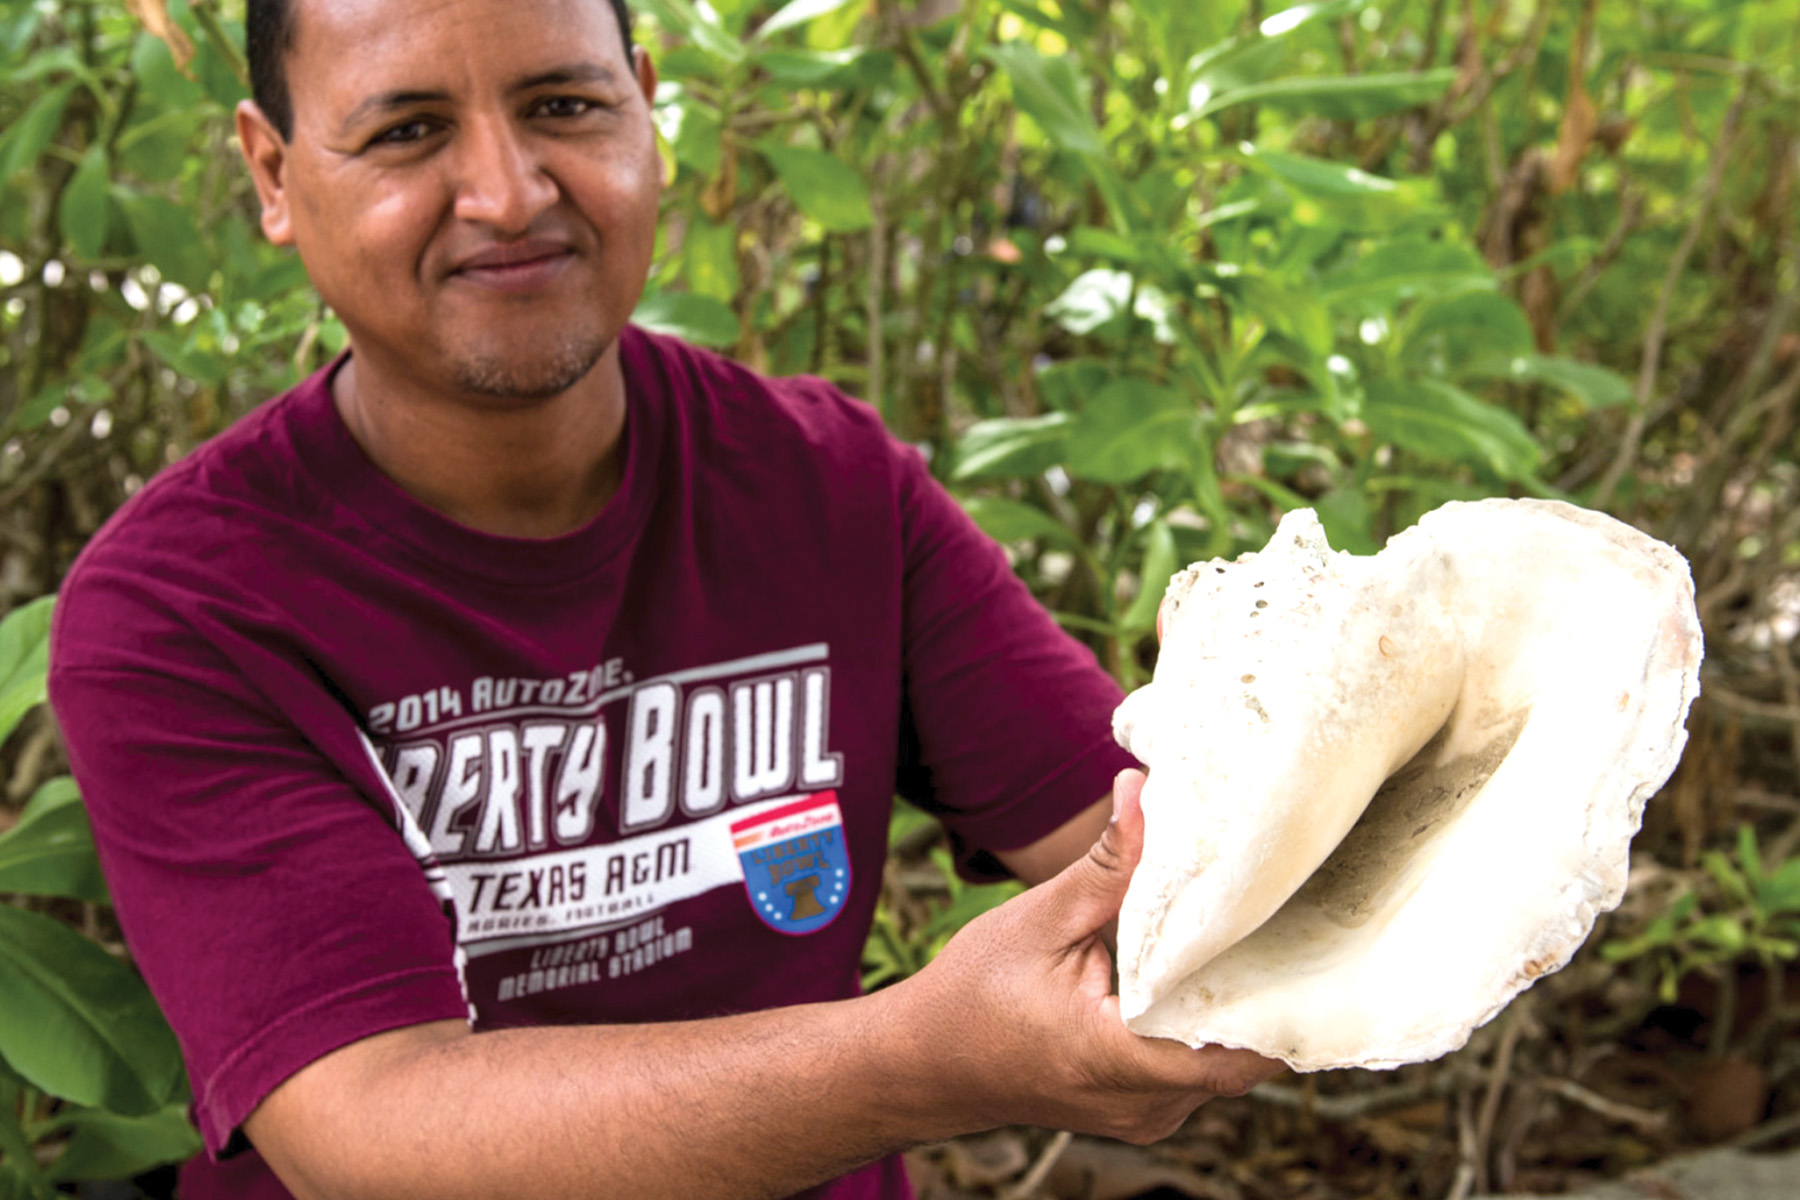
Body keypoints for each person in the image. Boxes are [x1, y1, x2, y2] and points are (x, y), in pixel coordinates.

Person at [46, 1, 1282, 1197]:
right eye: (407, 130)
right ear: (272, 170)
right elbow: (369, 1129)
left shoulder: (829, 485)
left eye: (565, 105)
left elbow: (1164, 855)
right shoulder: (181, 608)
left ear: (647, 105)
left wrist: (1301, 726)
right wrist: (927, 1056)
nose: (509, 192)